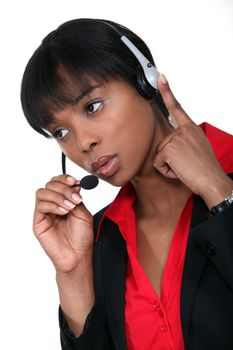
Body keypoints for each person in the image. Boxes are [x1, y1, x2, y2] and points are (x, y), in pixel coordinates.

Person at [20, 18, 233, 350]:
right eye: (60, 132)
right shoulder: (101, 236)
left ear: (145, 82)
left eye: (92, 106)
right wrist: (73, 273)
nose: (82, 143)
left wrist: (221, 195)